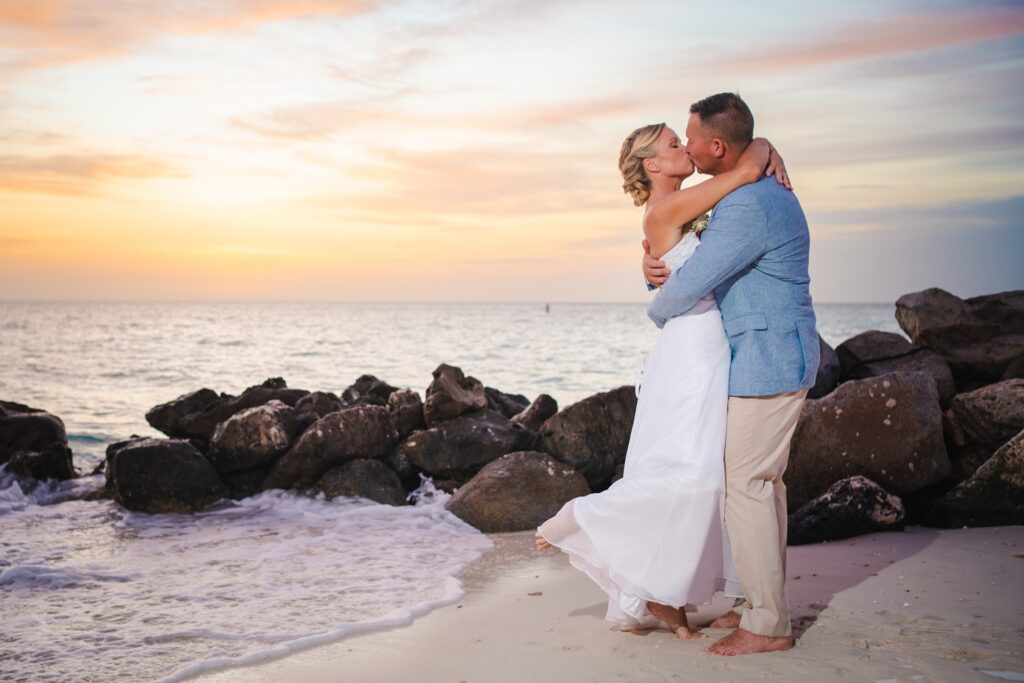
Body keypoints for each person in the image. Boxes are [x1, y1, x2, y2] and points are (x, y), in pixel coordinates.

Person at [535, 119, 789, 639]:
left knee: (696, 468)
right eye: (674, 145)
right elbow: (743, 169)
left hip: (707, 345)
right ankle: (585, 517)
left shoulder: (676, 209)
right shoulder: (670, 207)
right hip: (693, 348)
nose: (685, 148)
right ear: (652, 165)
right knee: (696, 474)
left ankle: (660, 593)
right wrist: (762, 147)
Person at [645, 92, 819, 656]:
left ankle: (767, 624)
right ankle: (757, 604)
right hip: (767, 353)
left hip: (769, 358)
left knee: (747, 485)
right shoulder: (750, 187)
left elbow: (690, 286)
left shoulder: (746, 206)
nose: (688, 147)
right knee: (763, 486)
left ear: (717, 146)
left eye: (691, 138)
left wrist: (656, 297)